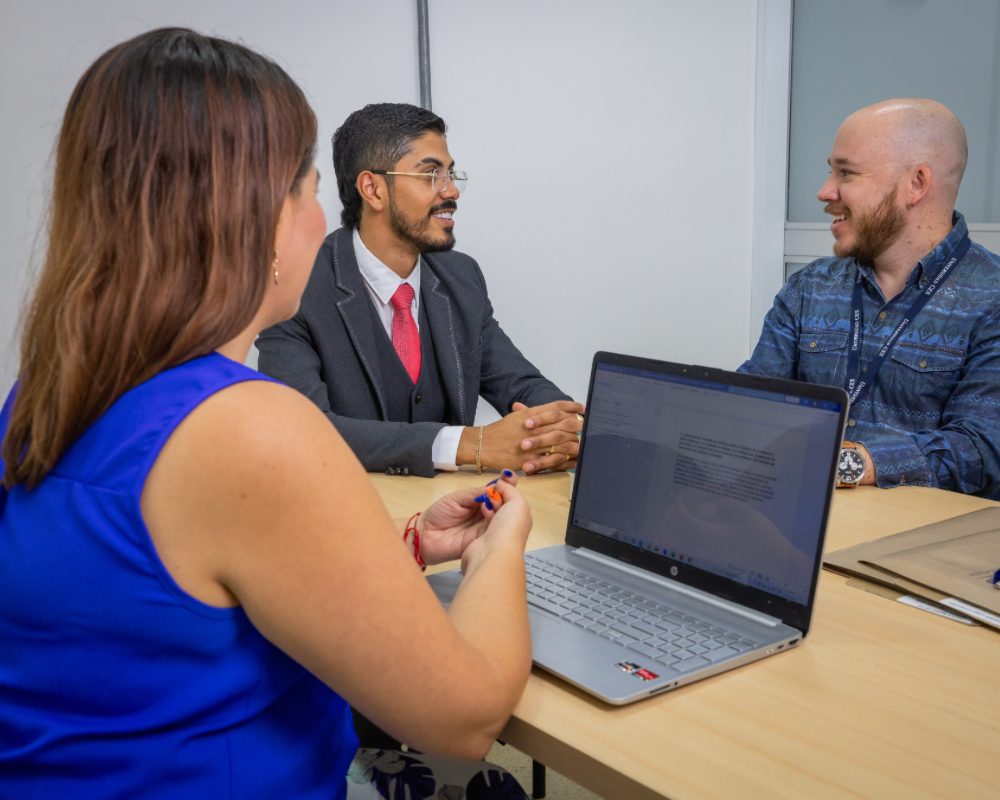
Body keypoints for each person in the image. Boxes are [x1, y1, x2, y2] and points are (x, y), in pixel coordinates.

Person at [0, 29, 534, 799]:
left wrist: (404, 546)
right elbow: (465, 719)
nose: (323, 221)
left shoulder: (51, 391)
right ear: (254, 213)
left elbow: (176, 580)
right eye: (310, 189)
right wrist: (500, 549)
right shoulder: (247, 427)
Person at [256, 102, 584, 477]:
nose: (451, 192)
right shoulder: (295, 286)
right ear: (373, 189)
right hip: (345, 517)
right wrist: (466, 445)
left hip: (456, 518)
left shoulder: (461, 276)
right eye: (431, 175)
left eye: (451, 174)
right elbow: (304, 429)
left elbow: (520, 384)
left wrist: (563, 429)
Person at [742, 98, 1000, 498]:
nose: (825, 191)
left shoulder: (991, 298)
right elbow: (755, 402)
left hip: (916, 547)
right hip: (797, 519)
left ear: (916, 183)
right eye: (831, 171)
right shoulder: (810, 288)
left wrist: (850, 463)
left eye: (846, 172)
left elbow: (981, 449)